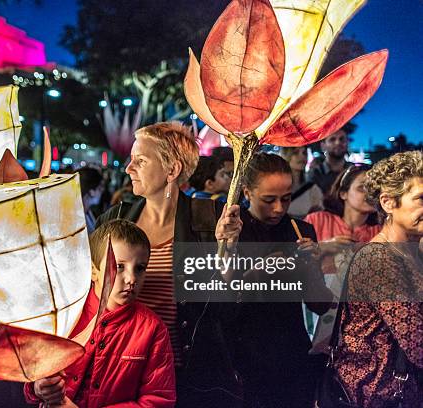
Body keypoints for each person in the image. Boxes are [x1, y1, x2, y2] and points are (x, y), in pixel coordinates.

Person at [97, 122, 241, 406]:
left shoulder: (210, 221)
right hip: (124, 371)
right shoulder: (115, 222)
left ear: (172, 170)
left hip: (188, 375)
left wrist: (229, 253)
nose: (129, 168)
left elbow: (228, 308)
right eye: (131, 160)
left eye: (140, 160)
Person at [215, 152, 332, 407]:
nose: (279, 208)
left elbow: (320, 305)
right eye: (269, 200)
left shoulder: (300, 231)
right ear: (246, 192)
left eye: (286, 198)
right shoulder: (233, 231)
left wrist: (311, 266)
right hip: (243, 358)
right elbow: (222, 307)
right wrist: (255, 272)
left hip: (292, 355)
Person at [25, 219, 176, 407]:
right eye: (119, 266)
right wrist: (37, 387)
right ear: (93, 270)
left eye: (140, 268)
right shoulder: (65, 314)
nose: (131, 279)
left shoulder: (152, 329)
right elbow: (35, 371)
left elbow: (158, 400)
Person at [336, 151, 422, 407]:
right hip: (379, 394)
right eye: (420, 199)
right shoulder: (378, 259)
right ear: (387, 203)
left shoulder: (409, 252)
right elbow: (418, 343)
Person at [305, 165, 380, 276]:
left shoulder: (380, 232)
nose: (371, 194)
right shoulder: (317, 220)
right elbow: (292, 257)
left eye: (375, 189)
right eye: (362, 188)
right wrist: (322, 247)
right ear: (343, 194)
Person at [280, 146, 323, 218]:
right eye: (296, 152)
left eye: (304, 152)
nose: (302, 156)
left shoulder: (312, 189)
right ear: (287, 155)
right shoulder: (278, 187)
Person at [311, 128, 351, 195]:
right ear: (323, 146)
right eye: (332, 139)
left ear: (347, 143)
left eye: (342, 139)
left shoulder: (354, 171)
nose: (338, 143)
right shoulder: (315, 174)